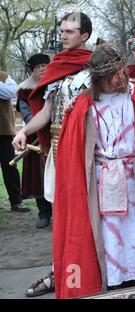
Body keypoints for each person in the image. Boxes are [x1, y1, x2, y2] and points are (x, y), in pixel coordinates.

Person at [52, 45, 135, 298]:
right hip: (99, 184)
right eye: (112, 75)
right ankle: (111, 283)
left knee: (134, 233)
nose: (119, 79)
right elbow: (71, 152)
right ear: (98, 77)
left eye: (121, 72)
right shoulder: (82, 104)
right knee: (106, 237)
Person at [12, 11, 93, 298]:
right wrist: (24, 132)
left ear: (84, 35)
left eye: (70, 31)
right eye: (61, 31)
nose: (63, 35)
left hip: (88, 155)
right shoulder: (56, 68)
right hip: (59, 153)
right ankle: (63, 270)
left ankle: (89, 273)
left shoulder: (96, 69)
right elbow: (46, 112)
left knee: (87, 216)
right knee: (61, 215)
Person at [16, 53, 53, 228]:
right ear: (33, 70)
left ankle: (60, 212)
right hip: (34, 137)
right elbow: (28, 115)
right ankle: (44, 213)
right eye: (39, 67)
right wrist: (40, 126)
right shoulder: (24, 90)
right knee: (39, 175)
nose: (42, 70)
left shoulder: (54, 85)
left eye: (45, 66)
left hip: (57, 134)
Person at [0, 71, 30, 213]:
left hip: (4, 130)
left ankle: (16, 202)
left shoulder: (4, 76)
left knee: (10, 166)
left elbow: (11, 93)